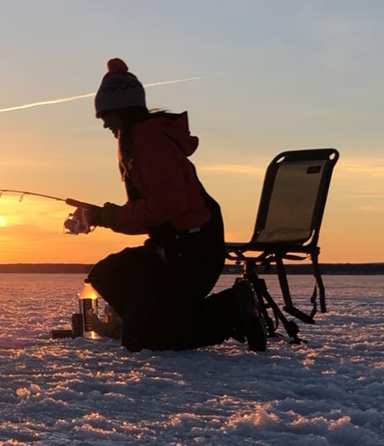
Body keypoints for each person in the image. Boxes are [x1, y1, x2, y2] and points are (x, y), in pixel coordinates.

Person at [80, 58, 264, 352]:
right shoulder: (137, 140)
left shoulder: (149, 141)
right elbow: (149, 213)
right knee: (107, 274)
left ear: (121, 112)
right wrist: (102, 216)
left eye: (106, 116)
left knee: (146, 338)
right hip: (170, 249)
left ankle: (231, 309)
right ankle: (144, 319)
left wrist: (109, 215)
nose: (103, 124)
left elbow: (169, 205)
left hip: (192, 253)